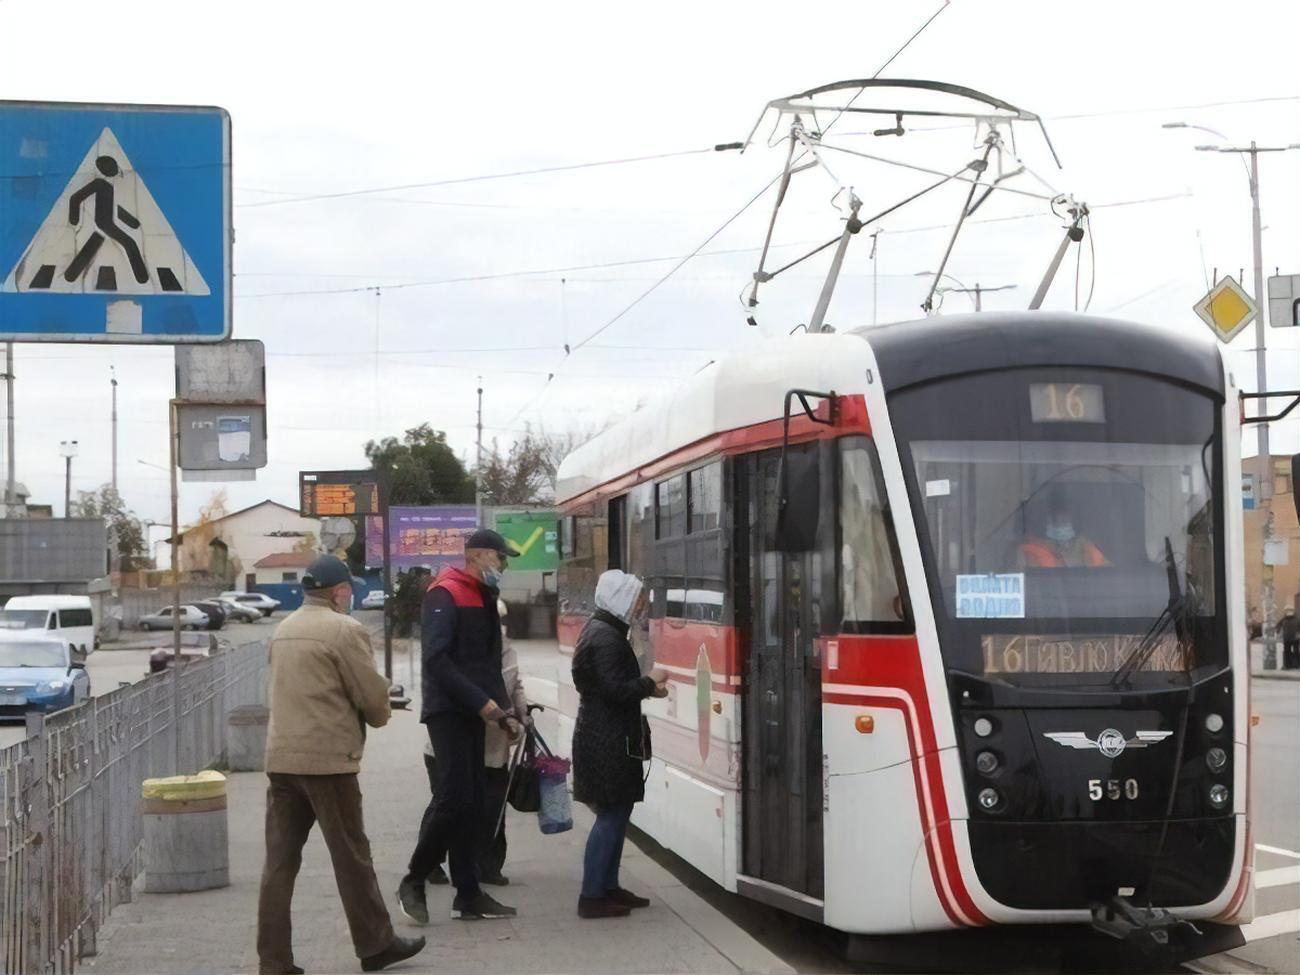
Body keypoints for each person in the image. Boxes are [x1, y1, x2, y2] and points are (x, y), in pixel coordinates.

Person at [257, 555, 424, 975]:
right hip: (328, 762)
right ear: (339, 592)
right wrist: (383, 711)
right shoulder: (344, 629)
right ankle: (376, 946)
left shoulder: (283, 629)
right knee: (351, 856)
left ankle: (273, 961)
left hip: (281, 761)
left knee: (279, 863)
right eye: (348, 589)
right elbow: (371, 698)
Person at [398, 529, 523, 924]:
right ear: (481, 555)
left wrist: (505, 712)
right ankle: (414, 879)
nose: (504, 567)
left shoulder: (485, 596)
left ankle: (468, 895)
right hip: (447, 712)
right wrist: (482, 703)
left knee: (471, 802)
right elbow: (436, 660)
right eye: (501, 559)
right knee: (454, 798)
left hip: (477, 712)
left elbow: (488, 664)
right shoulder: (445, 593)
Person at [571, 569, 668, 919]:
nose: (642, 605)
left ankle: (608, 886)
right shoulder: (606, 638)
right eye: (638, 597)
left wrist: (646, 688)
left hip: (607, 735)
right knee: (611, 815)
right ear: (621, 599)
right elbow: (614, 690)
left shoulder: (603, 631)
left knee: (617, 812)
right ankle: (593, 894)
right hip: (606, 739)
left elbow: (606, 685)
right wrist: (649, 681)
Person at [415, 597, 528, 887]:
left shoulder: (504, 649)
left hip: (493, 746)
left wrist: (521, 715)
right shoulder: (456, 652)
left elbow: (514, 683)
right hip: (451, 745)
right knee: (448, 805)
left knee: (492, 806)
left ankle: (487, 865)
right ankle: (431, 862)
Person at [1017, 492, 1109, 568]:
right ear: (1044, 521)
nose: (1060, 524)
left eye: (1065, 520)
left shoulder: (1088, 548)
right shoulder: (1027, 551)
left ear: (1074, 522)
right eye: (1055, 520)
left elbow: (1110, 579)